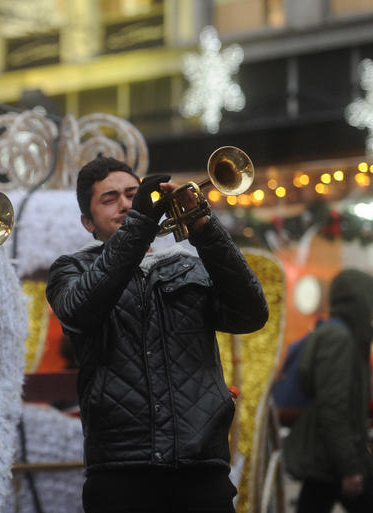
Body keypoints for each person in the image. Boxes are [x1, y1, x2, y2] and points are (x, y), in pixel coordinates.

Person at [45, 156, 268, 513]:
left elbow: (251, 314)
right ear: (87, 222)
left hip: (200, 469)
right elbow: (78, 312)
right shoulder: (72, 269)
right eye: (109, 198)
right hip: (121, 473)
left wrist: (204, 227)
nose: (125, 204)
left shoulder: (188, 264)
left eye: (134, 194)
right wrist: (140, 223)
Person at [282, 269, 373, 513]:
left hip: (330, 459)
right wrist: (350, 467)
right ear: (359, 301)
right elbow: (334, 408)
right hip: (333, 460)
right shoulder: (338, 338)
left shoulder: (342, 335)